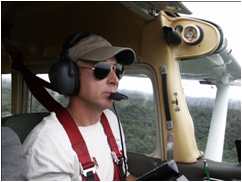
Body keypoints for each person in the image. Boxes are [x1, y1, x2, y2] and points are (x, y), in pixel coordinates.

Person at [23, 33, 136, 180]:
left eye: (118, 69)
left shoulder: (111, 119)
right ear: (70, 76)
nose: (115, 80)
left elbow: (124, 176)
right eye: (102, 69)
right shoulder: (47, 145)